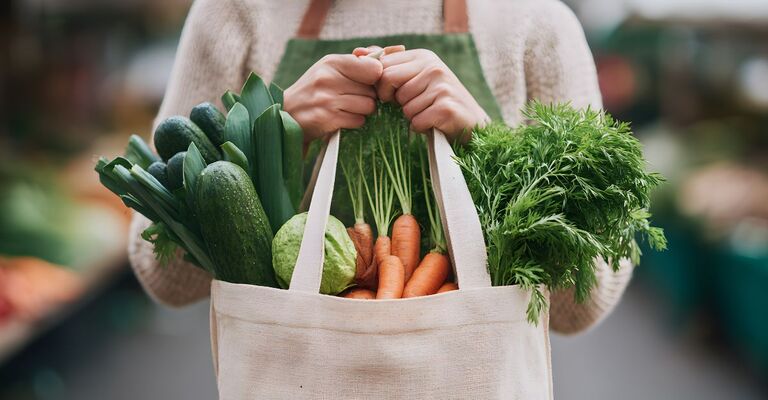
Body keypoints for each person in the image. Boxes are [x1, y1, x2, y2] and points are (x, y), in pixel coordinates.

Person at [129, 0, 632, 334]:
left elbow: (582, 305)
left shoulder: (532, 20)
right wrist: (275, 136)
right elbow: (164, 278)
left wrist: (485, 142)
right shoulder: (237, 12)